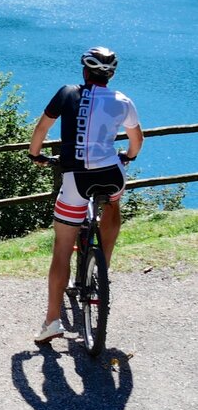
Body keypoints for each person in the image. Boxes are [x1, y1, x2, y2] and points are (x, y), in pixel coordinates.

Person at [28, 46, 142, 345]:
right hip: (111, 173)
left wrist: (35, 154)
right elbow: (136, 141)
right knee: (114, 202)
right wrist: (127, 157)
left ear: (84, 72)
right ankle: (101, 265)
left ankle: (52, 321)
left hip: (76, 177)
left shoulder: (67, 93)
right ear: (111, 75)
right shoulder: (122, 100)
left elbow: (42, 127)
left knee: (62, 248)